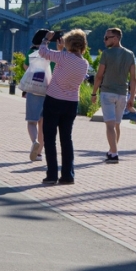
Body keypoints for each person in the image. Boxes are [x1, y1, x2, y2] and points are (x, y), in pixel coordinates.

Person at [38, 29, 89, 185]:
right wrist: (62, 51)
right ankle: (68, 175)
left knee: (49, 137)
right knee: (66, 139)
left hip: (54, 100)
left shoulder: (63, 57)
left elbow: (43, 52)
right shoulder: (84, 63)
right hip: (71, 103)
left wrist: (46, 39)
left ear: (68, 43)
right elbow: (66, 65)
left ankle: (52, 174)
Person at [90, 27, 136, 164]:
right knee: (116, 125)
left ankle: (114, 153)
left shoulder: (106, 54)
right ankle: (112, 151)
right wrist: (132, 98)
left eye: (106, 38)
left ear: (115, 39)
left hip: (108, 92)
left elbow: (99, 76)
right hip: (122, 94)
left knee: (110, 125)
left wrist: (93, 93)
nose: (104, 40)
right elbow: (133, 78)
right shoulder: (130, 54)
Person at [23, 37, 47, 161]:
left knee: (32, 122)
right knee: (42, 125)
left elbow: (26, 67)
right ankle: (39, 153)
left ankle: (34, 141)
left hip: (34, 89)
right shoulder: (52, 54)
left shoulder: (31, 53)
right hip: (47, 91)